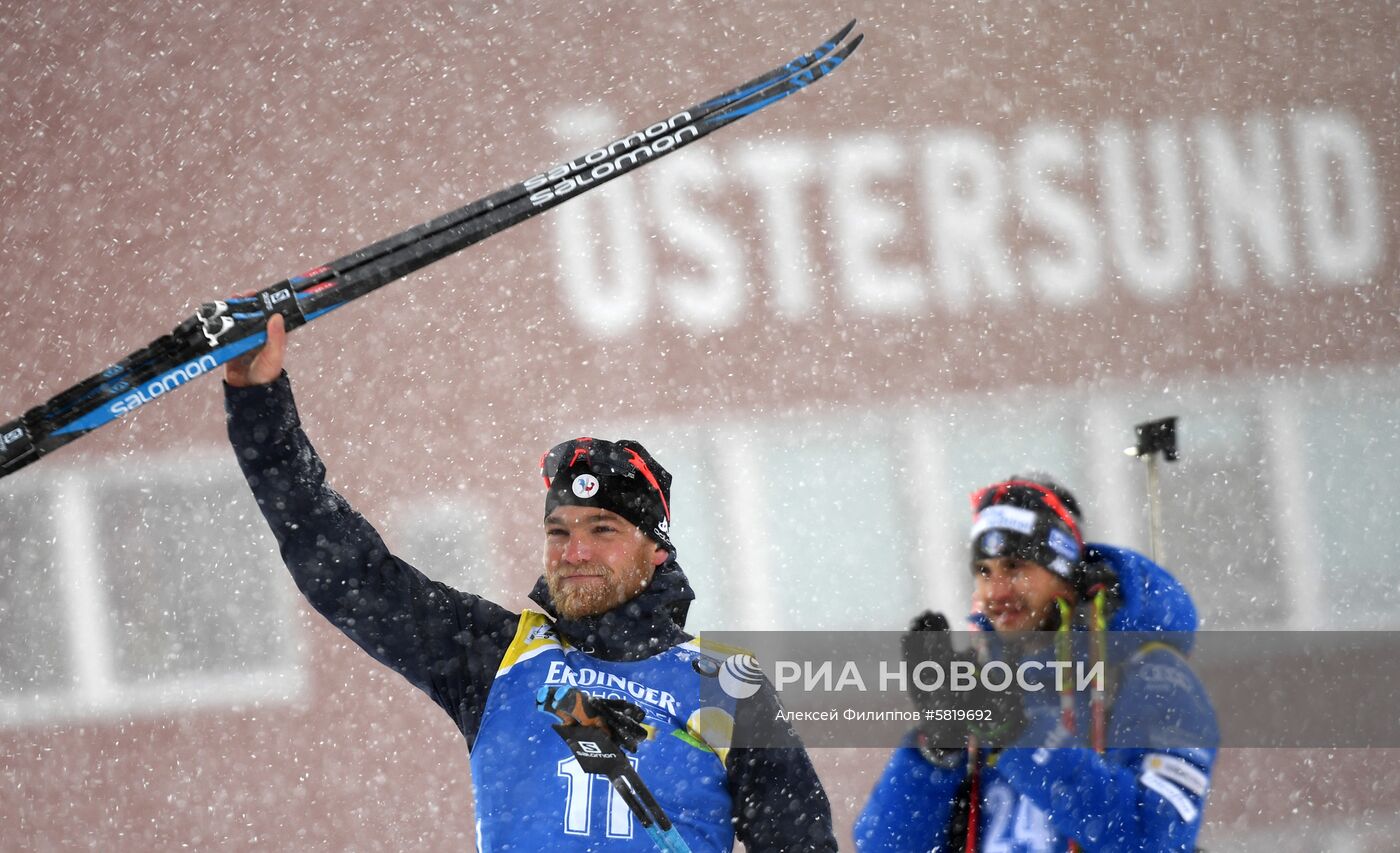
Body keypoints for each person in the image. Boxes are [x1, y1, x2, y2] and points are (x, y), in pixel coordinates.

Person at [223, 315, 837, 852]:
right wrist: (258, 403)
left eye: (602, 529)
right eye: (558, 531)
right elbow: (345, 572)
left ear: (655, 552)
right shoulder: (496, 656)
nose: (574, 552)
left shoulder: (728, 688)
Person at [854, 476, 1218, 852]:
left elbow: (1153, 838)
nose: (996, 592)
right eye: (984, 571)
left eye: (1015, 567)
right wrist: (936, 751)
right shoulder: (980, 683)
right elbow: (881, 846)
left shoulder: (1151, 676)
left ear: (1062, 574)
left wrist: (1019, 734)